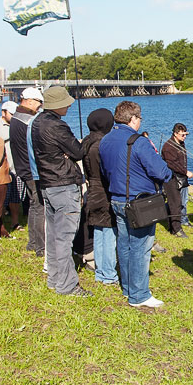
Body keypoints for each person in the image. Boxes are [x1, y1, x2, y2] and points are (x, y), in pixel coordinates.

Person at [99, 101, 172, 308]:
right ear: (133, 119)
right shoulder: (138, 141)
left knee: (124, 244)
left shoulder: (106, 140)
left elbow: (105, 170)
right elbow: (161, 172)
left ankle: (128, 287)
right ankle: (139, 295)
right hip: (139, 202)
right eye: (140, 118)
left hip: (116, 198)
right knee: (141, 247)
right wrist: (167, 172)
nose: (140, 122)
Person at [30, 86, 92, 297]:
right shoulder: (58, 126)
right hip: (64, 184)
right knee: (64, 237)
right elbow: (78, 151)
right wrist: (74, 148)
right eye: (65, 102)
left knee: (54, 235)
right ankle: (67, 285)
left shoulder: (36, 122)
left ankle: (54, 279)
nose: (68, 105)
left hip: (47, 183)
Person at [82, 108, 117, 285]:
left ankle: (101, 270)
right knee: (109, 233)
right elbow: (108, 170)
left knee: (99, 231)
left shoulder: (88, 142)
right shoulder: (102, 145)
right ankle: (108, 273)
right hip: (103, 190)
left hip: (92, 190)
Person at [9, 87, 45, 256]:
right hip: (31, 169)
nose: (40, 106)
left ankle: (32, 242)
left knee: (33, 205)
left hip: (22, 168)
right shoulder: (27, 120)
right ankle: (41, 247)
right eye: (39, 103)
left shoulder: (16, 116)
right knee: (40, 206)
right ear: (29, 101)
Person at [0, 101, 24, 231]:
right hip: (3, 170)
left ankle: (15, 222)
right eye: (11, 114)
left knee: (16, 199)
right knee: (1, 200)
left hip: (17, 168)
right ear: (3, 112)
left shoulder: (19, 125)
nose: (14, 116)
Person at [161, 123, 193, 238]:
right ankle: (176, 229)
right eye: (182, 135)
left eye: (186, 134)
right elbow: (171, 164)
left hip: (180, 178)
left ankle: (173, 225)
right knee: (174, 203)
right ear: (175, 133)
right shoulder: (168, 146)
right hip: (171, 178)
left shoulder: (181, 144)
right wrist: (186, 172)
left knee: (180, 202)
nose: (184, 137)